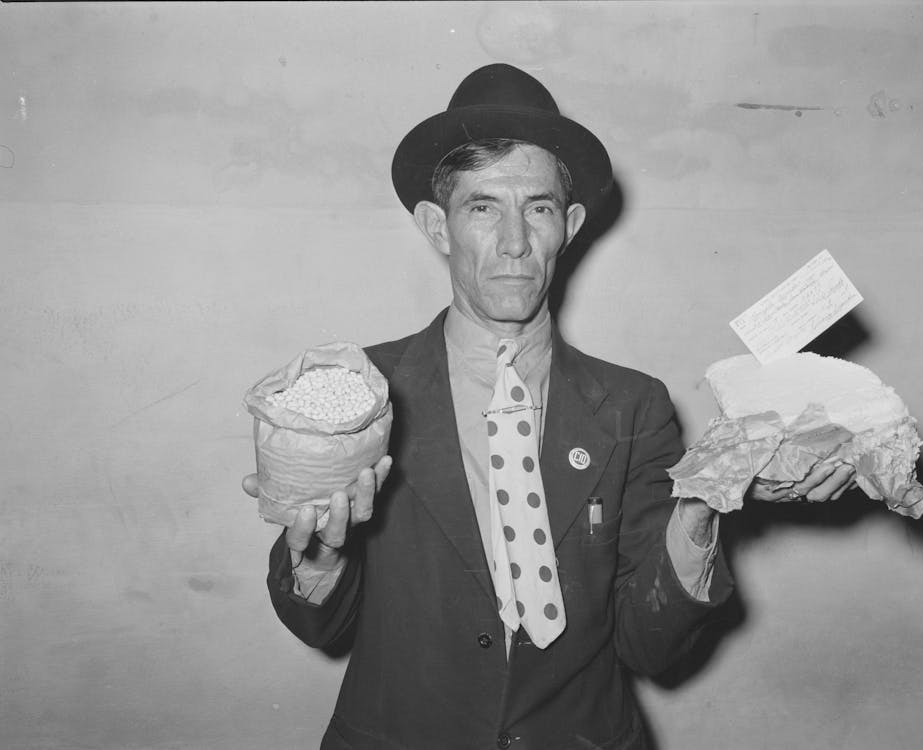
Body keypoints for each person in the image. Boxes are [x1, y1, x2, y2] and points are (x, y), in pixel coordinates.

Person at [243, 63, 856, 750]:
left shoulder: (633, 407)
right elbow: (319, 627)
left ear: (568, 224)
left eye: (536, 208)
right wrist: (323, 555)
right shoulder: (362, 389)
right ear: (436, 226)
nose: (514, 242)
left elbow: (651, 647)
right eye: (482, 207)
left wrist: (702, 503)